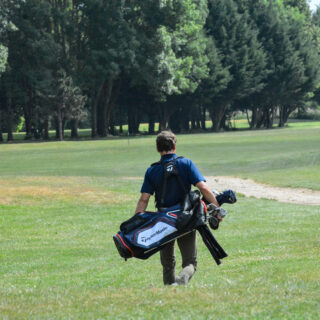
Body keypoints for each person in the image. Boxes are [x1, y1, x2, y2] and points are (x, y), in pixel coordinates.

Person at [135, 130, 221, 286]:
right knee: (190, 262)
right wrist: (216, 207)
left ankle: (170, 288)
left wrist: (137, 222)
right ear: (175, 146)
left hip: (162, 221)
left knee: (167, 262)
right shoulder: (186, 163)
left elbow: (144, 199)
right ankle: (181, 282)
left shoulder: (152, 170)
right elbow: (203, 188)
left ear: (157, 148)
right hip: (185, 219)